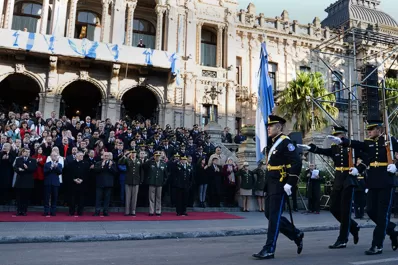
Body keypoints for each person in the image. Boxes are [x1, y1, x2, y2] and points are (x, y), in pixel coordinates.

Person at [328, 120, 398, 255]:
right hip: (373, 182)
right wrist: (341, 141)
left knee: (383, 215)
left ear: (379, 129)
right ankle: (392, 232)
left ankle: (377, 245)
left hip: (386, 181)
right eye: (368, 130)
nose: (368, 132)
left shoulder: (390, 141)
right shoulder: (368, 143)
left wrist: (396, 166)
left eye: (371, 130)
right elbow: (356, 144)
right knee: (370, 211)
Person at [299, 125, 360, 249]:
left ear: (343, 136)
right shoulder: (334, 149)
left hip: (349, 179)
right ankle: (353, 226)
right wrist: (310, 148)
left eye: (339, 136)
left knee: (345, 210)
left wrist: (358, 169)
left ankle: (342, 239)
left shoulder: (352, 147)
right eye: (335, 136)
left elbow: (365, 157)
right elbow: (322, 151)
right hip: (338, 180)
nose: (336, 138)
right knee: (333, 208)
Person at [253, 115, 304, 260]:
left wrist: (290, 183)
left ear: (279, 127)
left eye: (271, 126)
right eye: (268, 126)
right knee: (269, 214)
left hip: (281, 184)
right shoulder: (272, 142)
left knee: (274, 217)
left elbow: (297, 163)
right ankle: (296, 234)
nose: (268, 128)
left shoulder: (285, 142)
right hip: (271, 183)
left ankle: (269, 248)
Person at [13, 148, 37, 216]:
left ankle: (24, 210)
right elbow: (15, 167)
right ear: (22, 152)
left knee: (26, 197)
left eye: (28, 152)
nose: (27, 153)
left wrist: (27, 168)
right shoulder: (18, 159)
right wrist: (18, 169)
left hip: (28, 182)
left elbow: (34, 169)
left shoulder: (33, 160)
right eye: (26, 152)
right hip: (20, 181)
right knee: (19, 197)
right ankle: (19, 210)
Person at [143, 151, 168, 216]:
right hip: (152, 182)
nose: (157, 157)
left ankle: (158, 211)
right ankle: (151, 211)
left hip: (159, 183)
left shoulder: (163, 164)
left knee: (158, 197)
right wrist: (151, 159)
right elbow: (144, 166)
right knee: (151, 197)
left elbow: (166, 174)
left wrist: (163, 182)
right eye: (156, 156)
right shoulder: (151, 163)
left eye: (158, 156)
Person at [43, 152, 63, 216]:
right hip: (48, 182)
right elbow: (45, 173)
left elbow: (60, 172)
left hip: (55, 183)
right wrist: (51, 167)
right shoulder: (47, 164)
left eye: (56, 156)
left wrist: (56, 167)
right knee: (46, 197)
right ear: (51, 156)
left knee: (55, 197)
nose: (54, 157)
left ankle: (53, 211)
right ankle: (46, 211)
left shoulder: (59, 164)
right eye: (53, 155)